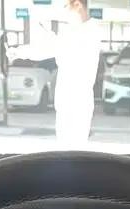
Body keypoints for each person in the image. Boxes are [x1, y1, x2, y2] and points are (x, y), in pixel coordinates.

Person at [39, 0, 101, 145]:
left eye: (66, 7)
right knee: (68, 147)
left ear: (77, 5)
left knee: (72, 148)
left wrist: (51, 38)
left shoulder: (87, 31)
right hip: (69, 101)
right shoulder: (82, 30)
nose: (65, 12)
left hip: (75, 102)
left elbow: (58, 51)